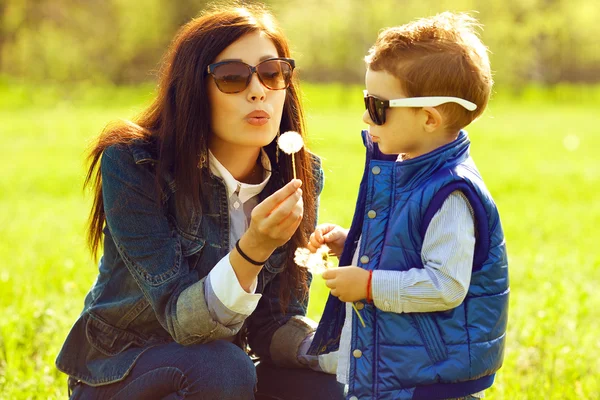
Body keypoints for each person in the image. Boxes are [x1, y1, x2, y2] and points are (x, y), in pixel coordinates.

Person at [55, 4, 343, 400]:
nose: (258, 90)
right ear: (194, 89)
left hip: (221, 375)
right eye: (232, 77)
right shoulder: (134, 162)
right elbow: (182, 321)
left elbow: (273, 324)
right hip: (121, 372)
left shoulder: (298, 173)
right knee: (224, 367)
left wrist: (343, 348)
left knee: (339, 385)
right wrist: (254, 248)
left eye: (272, 72)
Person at [307, 12, 509, 400]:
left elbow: (445, 285)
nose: (367, 116)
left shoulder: (448, 193)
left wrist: (367, 284)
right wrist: (352, 243)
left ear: (429, 118)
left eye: (379, 106)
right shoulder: (407, 170)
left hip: (433, 382)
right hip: (405, 372)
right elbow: (407, 247)